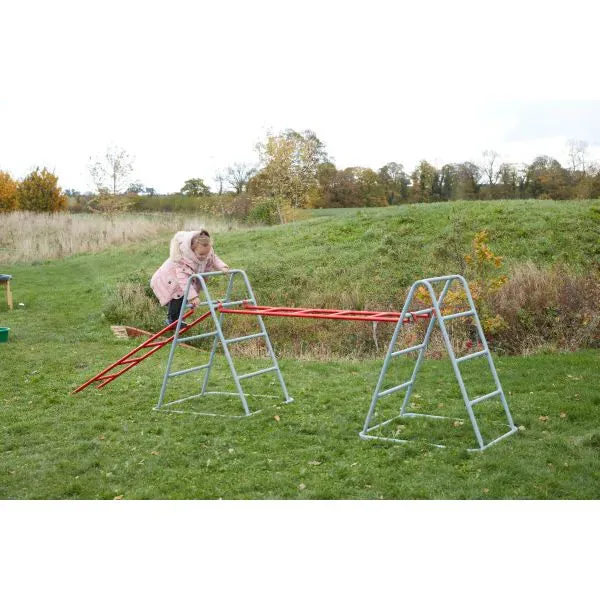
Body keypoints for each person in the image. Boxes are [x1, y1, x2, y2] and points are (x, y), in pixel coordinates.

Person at [150, 229, 229, 325]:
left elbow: (213, 258)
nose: (204, 256)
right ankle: (172, 320)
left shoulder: (206, 251)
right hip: (170, 280)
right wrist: (193, 297)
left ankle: (177, 318)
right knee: (177, 297)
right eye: (201, 254)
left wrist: (222, 266)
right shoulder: (182, 258)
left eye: (206, 253)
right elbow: (183, 280)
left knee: (183, 297)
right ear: (192, 249)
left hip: (184, 280)